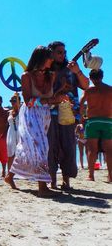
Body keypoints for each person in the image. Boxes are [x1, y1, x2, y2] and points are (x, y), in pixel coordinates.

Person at [5, 46, 65, 197]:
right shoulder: (26, 76)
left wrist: (59, 98)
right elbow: (28, 101)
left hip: (45, 116)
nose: (52, 59)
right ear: (41, 58)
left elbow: (48, 101)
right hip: (31, 115)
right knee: (42, 147)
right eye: (50, 57)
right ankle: (42, 186)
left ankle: (10, 176)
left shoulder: (51, 75)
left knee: (28, 148)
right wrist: (51, 99)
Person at [47, 41, 89, 190]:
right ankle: (52, 180)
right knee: (50, 146)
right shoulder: (46, 70)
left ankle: (66, 181)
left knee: (68, 146)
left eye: (64, 52)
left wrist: (78, 71)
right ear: (50, 52)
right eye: (59, 52)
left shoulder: (72, 69)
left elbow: (85, 85)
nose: (63, 55)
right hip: (49, 113)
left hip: (69, 113)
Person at [80, 69, 111, 182]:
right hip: (108, 121)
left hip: (93, 121)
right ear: (102, 76)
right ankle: (110, 176)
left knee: (92, 149)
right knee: (109, 150)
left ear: (91, 78)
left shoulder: (89, 90)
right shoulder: (110, 89)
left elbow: (81, 103)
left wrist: (81, 118)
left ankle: (91, 175)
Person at [7, 94, 21, 171]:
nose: (12, 102)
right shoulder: (9, 112)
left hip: (20, 132)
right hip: (11, 133)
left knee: (20, 153)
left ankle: (21, 171)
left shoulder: (22, 110)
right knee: (10, 153)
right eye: (11, 101)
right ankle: (9, 171)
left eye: (14, 101)